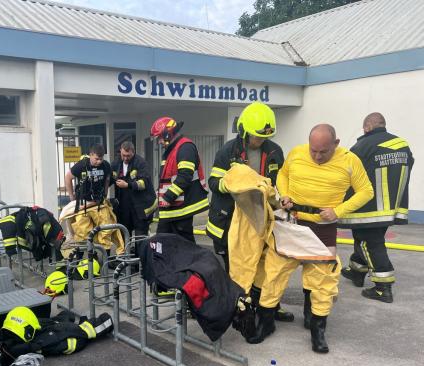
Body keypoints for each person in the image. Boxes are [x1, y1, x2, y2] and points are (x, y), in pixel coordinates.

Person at [251, 124, 373, 353]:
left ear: (335, 144)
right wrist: (284, 194)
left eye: (323, 152)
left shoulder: (349, 161)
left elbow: (366, 191)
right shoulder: (297, 152)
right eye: (313, 150)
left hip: (323, 228)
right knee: (274, 272)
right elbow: (283, 174)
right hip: (291, 222)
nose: (317, 156)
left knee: (322, 280)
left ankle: (317, 327)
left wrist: (339, 211)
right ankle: (265, 322)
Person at [206, 102, 293, 323]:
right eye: (256, 137)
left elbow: (280, 181)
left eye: (264, 137)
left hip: (261, 218)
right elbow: (214, 182)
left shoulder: (274, 151)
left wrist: (281, 198)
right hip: (230, 221)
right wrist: (235, 185)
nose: (260, 140)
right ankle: (239, 310)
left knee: (267, 264)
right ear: (244, 131)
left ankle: (270, 305)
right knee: (237, 271)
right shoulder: (228, 151)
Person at [339, 112, 414, 303]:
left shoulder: (362, 146)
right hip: (391, 206)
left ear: (367, 127)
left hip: (369, 207)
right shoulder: (402, 144)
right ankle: (356, 271)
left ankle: (383, 287)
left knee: (370, 242)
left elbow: (347, 173)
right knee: (366, 236)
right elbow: (409, 164)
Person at [151, 117, 208, 242]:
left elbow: (185, 176)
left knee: (182, 246)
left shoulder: (185, 147)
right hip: (172, 209)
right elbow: (167, 179)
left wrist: (167, 196)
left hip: (181, 209)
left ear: (167, 134)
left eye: (159, 138)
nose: (159, 142)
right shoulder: (172, 150)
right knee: (165, 244)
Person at [64, 144, 124, 254]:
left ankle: (102, 262)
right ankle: (79, 262)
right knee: (82, 234)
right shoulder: (82, 165)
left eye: (101, 159)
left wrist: (105, 192)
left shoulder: (105, 165)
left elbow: (107, 178)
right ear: (90, 155)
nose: (99, 162)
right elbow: (68, 177)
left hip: (99, 204)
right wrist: (72, 197)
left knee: (105, 232)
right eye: (96, 159)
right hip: (83, 205)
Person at [111, 141, 157, 241]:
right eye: (123, 155)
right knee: (124, 235)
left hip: (140, 206)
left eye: (128, 156)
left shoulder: (141, 163)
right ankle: (126, 256)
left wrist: (128, 185)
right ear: (120, 151)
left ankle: (140, 255)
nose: (125, 158)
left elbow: (144, 183)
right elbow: (109, 178)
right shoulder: (116, 163)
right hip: (124, 207)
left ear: (134, 152)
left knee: (140, 238)